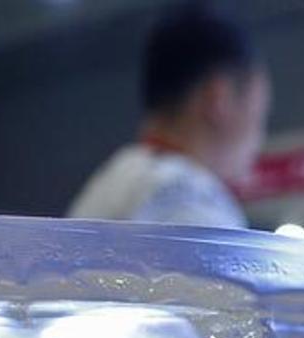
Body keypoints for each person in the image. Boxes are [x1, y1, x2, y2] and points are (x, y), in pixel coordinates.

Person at [69, 3, 269, 228]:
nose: (258, 140)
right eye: (259, 116)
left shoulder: (111, 181)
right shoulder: (189, 198)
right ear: (218, 98)